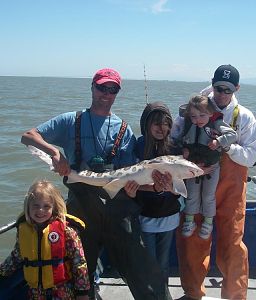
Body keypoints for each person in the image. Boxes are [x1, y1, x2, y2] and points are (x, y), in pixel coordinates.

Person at [21, 68, 172, 300]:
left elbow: (130, 175)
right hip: (81, 207)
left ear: (117, 93)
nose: (106, 93)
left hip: (118, 207)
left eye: (112, 89)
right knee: (80, 271)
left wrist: (150, 187)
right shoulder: (71, 120)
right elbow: (28, 136)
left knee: (143, 269)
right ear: (92, 87)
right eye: (102, 87)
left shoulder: (124, 129)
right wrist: (54, 152)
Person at [173, 65, 256, 300]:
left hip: (231, 190)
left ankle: (235, 295)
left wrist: (227, 146)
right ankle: (193, 292)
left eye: (227, 89)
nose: (221, 93)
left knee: (232, 242)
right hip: (196, 182)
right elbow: (174, 137)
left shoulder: (244, 117)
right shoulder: (192, 109)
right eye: (218, 87)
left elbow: (251, 157)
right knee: (191, 238)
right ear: (212, 84)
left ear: (236, 89)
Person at [0, 180, 90, 299]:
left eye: (46, 206)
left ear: (54, 207)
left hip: (62, 291)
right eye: (35, 206)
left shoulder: (67, 231)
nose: (40, 210)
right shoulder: (24, 230)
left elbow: (79, 263)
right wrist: (2, 272)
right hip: (35, 292)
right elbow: (16, 257)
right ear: (28, 206)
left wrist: (82, 292)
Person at [173, 95, 237, 240]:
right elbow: (177, 139)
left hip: (211, 167)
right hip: (192, 167)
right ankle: (189, 221)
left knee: (208, 196)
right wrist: (182, 150)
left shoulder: (216, 123)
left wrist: (219, 141)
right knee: (191, 194)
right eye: (194, 116)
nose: (198, 120)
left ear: (210, 113)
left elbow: (232, 135)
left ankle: (208, 223)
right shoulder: (187, 123)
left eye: (202, 115)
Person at [134, 102, 181, 282]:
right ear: (146, 124)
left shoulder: (175, 147)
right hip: (145, 215)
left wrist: (171, 188)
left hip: (168, 215)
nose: (162, 128)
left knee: (162, 263)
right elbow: (131, 181)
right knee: (148, 262)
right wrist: (152, 187)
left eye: (166, 123)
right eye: (156, 123)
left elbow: (181, 188)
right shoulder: (139, 146)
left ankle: (162, 293)